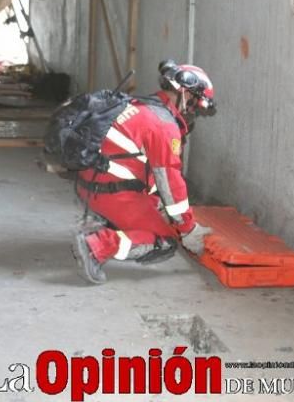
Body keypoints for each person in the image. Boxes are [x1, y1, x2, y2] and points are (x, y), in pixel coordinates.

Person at [70, 60, 219, 284]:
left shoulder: (140, 105)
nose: (192, 112)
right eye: (194, 104)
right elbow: (170, 182)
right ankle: (97, 246)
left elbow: (141, 166)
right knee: (165, 239)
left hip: (89, 185)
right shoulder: (164, 125)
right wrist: (188, 229)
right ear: (185, 94)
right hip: (112, 194)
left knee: (156, 211)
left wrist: (157, 205)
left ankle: (100, 223)